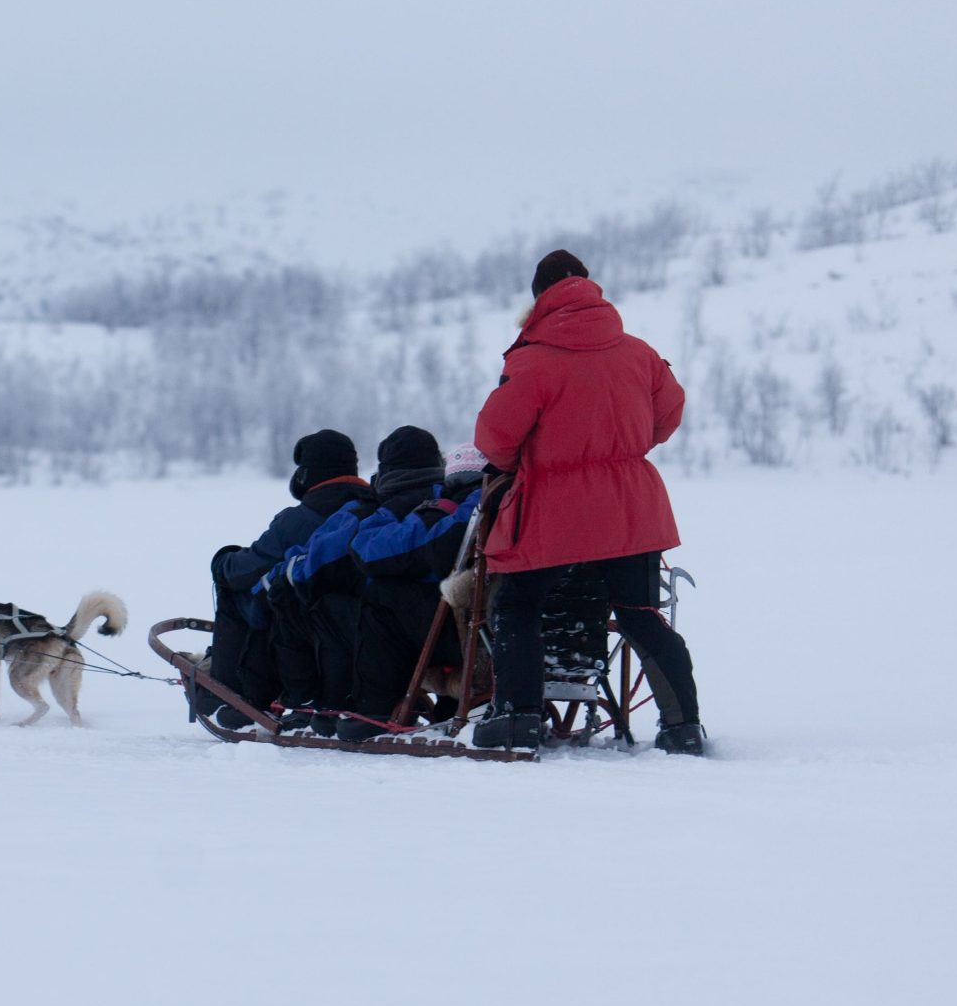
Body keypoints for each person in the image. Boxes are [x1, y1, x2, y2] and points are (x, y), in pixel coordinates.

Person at [470, 250, 704, 754]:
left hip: (552, 506)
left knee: (517, 604)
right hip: (630, 505)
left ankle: (517, 717)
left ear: (540, 298)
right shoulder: (639, 353)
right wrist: (620, 450)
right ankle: (683, 725)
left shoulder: (531, 358)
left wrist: (524, 464)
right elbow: (669, 412)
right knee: (641, 612)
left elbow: (495, 437)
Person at [269, 425, 448, 734]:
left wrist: (280, 579)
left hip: (418, 628)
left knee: (328, 605)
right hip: (448, 621)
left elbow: (341, 558)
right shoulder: (452, 499)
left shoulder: (384, 508)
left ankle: (324, 702)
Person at [202, 430, 367, 729]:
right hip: (361, 618)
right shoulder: (373, 505)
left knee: (240, 591)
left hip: (309, 623)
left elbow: (247, 569)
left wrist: (222, 561)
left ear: (307, 472)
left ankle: (236, 692)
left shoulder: (302, 518)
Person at [338, 443, 487, 742]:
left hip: (477, 632)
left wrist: (432, 521)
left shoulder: (480, 499)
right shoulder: (529, 495)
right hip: (520, 623)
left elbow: (441, 549)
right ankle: (452, 703)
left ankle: (375, 709)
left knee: (383, 595)